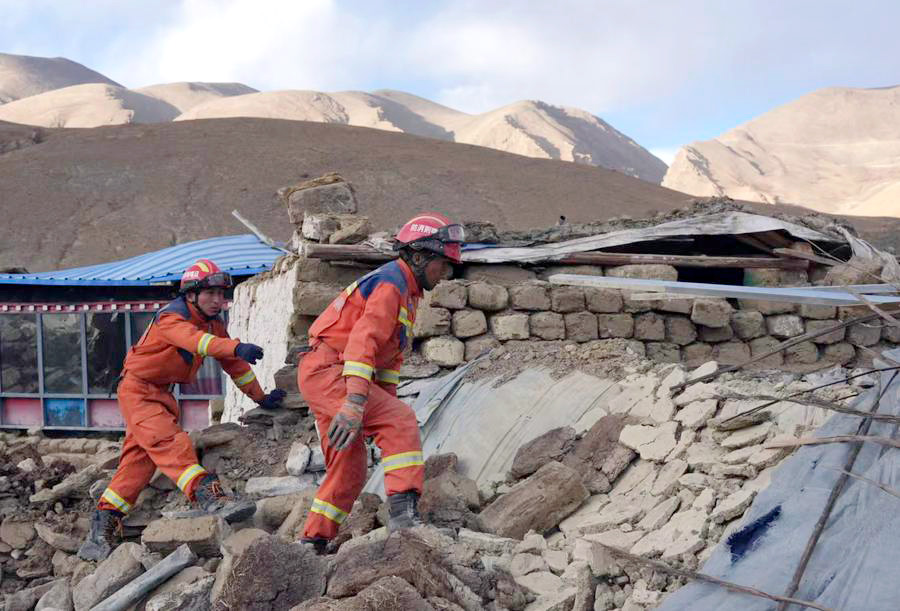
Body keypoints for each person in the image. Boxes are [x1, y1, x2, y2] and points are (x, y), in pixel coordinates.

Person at [78, 259, 286, 561]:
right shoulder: (172, 319)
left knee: (138, 463)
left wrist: (260, 397)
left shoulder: (212, 325)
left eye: (221, 294)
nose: (218, 300)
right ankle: (209, 497)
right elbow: (198, 342)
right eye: (210, 293)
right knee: (170, 442)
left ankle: (100, 530)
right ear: (191, 294)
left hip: (160, 393)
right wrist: (234, 345)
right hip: (138, 391)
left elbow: (235, 366)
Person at [298, 212, 465, 553]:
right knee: (400, 419)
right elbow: (363, 343)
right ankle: (404, 518)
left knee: (350, 468)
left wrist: (378, 405)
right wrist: (358, 403)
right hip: (331, 370)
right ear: (418, 256)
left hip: (329, 372)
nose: (445, 273)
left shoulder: (407, 292)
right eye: (442, 263)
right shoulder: (392, 284)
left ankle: (312, 541)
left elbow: (388, 360)